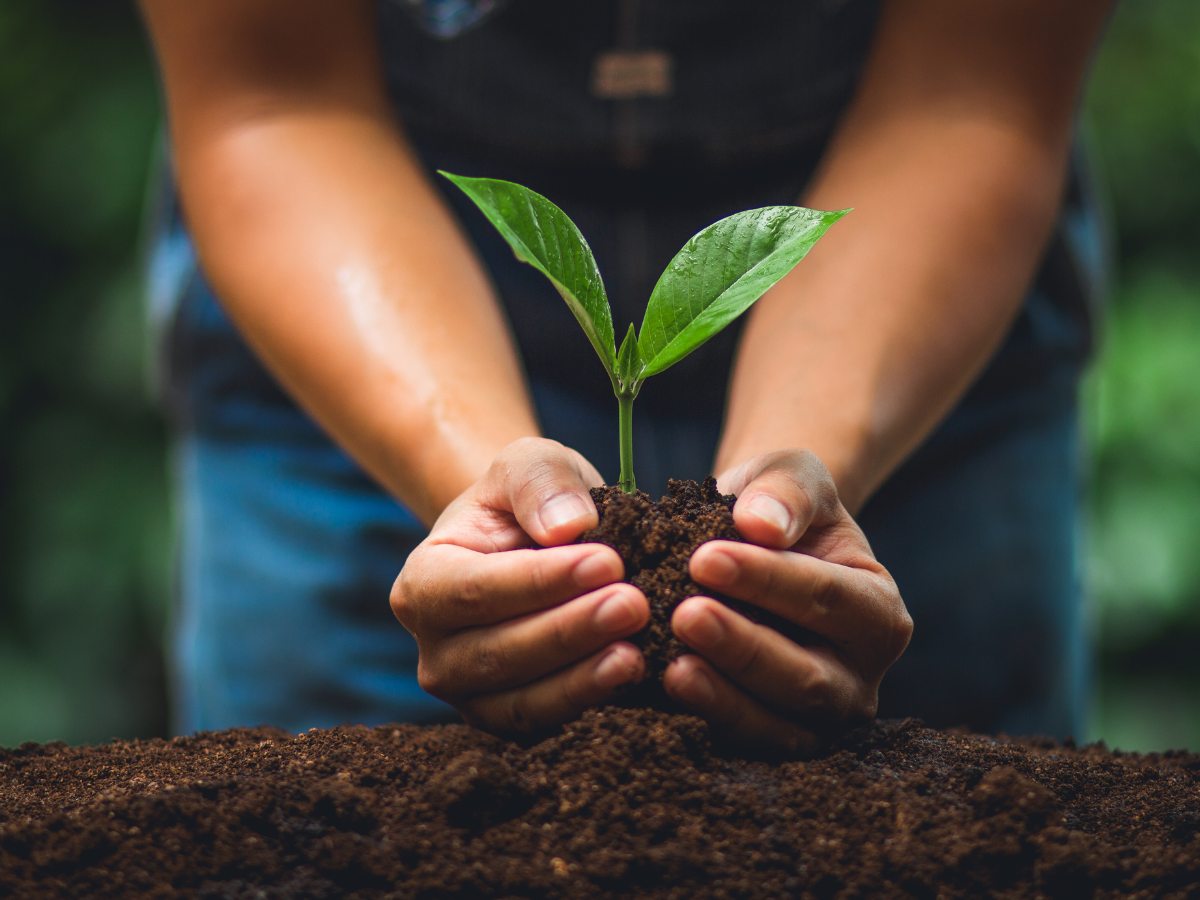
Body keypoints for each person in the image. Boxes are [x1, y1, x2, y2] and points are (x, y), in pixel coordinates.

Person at [139, 0, 1112, 756]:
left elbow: (968, 97)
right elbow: (273, 99)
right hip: (357, 296)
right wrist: (494, 498)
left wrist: (788, 490)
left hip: (913, 310)